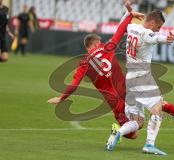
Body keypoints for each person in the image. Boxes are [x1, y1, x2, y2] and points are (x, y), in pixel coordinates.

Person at [106, 10, 174, 155]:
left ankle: (119, 132)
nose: (159, 30)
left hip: (130, 78)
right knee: (157, 110)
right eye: (158, 27)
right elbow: (154, 37)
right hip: (142, 77)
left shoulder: (132, 28)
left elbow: (122, 25)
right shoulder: (146, 33)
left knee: (138, 121)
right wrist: (166, 39)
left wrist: (128, 13)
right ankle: (149, 145)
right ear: (151, 23)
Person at [48, 2, 145, 140]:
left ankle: (117, 130)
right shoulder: (107, 48)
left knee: (133, 134)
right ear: (94, 43)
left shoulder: (84, 63)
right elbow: (120, 30)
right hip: (126, 93)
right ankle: (118, 130)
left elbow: (74, 85)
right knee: (138, 124)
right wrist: (129, 15)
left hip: (113, 101)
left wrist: (61, 98)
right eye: (99, 42)